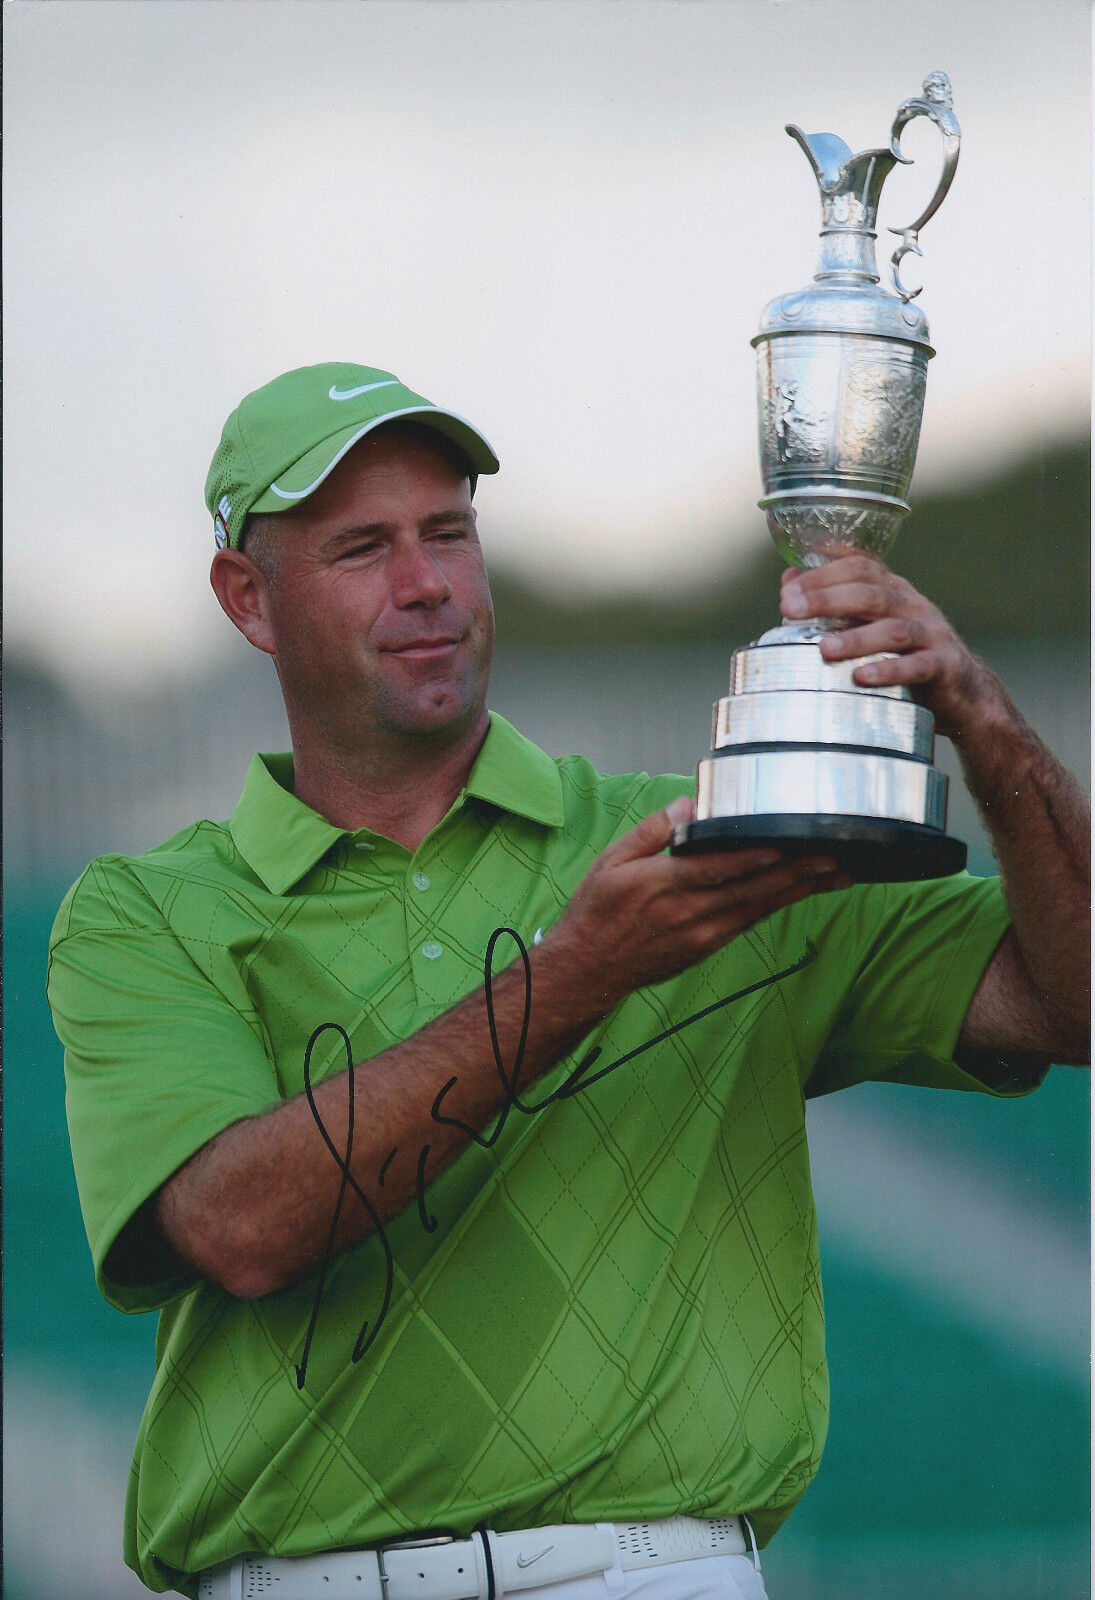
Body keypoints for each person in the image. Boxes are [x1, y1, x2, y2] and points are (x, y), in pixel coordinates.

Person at [48, 363, 1089, 1600]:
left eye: (449, 532)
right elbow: (243, 1227)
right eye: (361, 548)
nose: (425, 581)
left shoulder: (706, 833)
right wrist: (583, 972)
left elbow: (1066, 999)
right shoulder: (147, 913)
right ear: (248, 599)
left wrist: (981, 717)